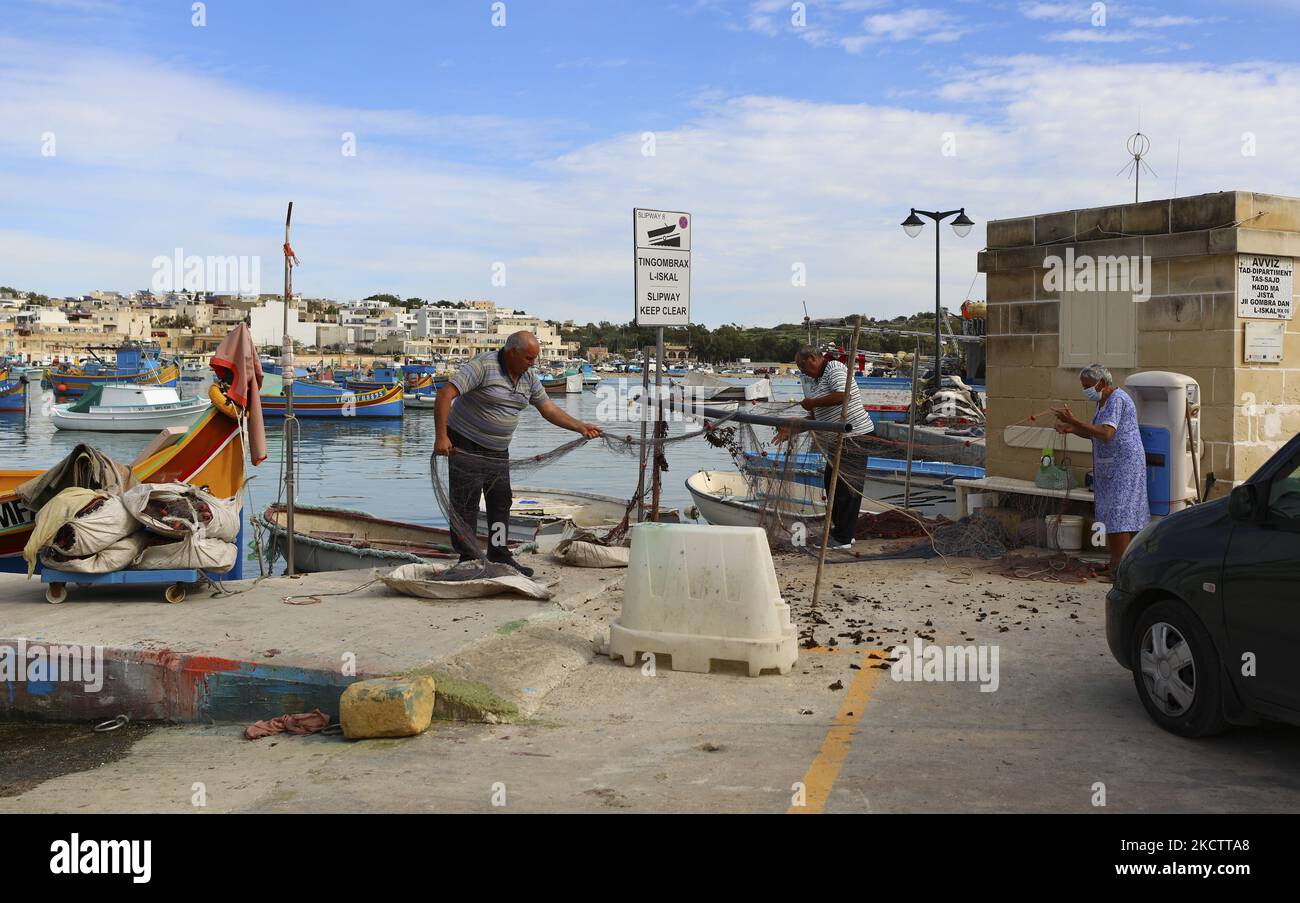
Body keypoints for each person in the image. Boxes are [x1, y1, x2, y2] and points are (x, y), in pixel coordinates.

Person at [434, 331, 603, 577]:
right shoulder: (483, 366)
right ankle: (467, 559)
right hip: (464, 443)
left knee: (501, 500)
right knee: (465, 503)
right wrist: (441, 437)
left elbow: (548, 409)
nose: (532, 363)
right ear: (512, 352)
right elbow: (445, 394)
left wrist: (580, 426)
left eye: (535, 358)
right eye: (528, 358)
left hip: (498, 449)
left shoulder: (529, 378)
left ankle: (499, 554)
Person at [775, 345, 876, 550]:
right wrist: (793, 429)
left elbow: (843, 395)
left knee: (846, 489)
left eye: (803, 366)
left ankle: (843, 539)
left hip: (854, 435)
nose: (802, 371)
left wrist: (812, 402)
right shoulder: (817, 380)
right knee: (831, 484)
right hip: (838, 439)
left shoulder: (835, 369)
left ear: (813, 358)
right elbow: (816, 417)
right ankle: (843, 532)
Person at [1051, 364, 1149, 575]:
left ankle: (1120, 570)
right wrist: (1072, 429)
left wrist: (1073, 420)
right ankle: (1116, 563)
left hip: (1124, 465)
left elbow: (1106, 433)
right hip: (1110, 465)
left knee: (1121, 515)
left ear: (1102, 383)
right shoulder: (1102, 402)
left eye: (1087, 386)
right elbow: (1094, 432)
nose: (1085, 390)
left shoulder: (1117, 399)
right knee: (1113, 517)